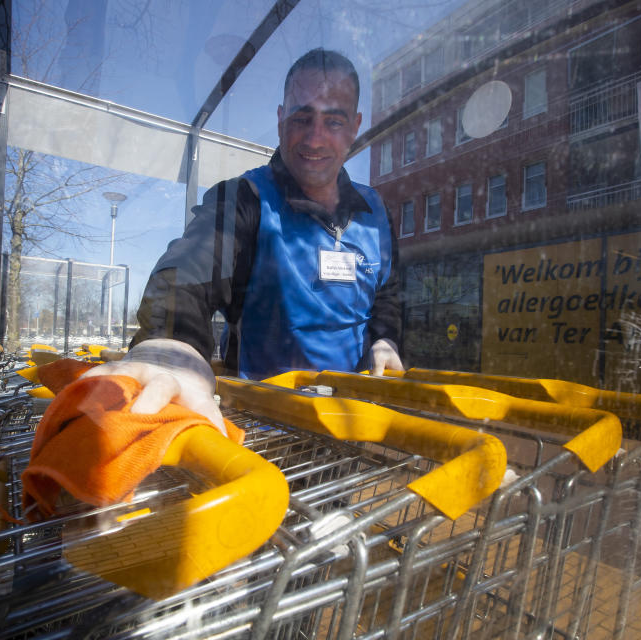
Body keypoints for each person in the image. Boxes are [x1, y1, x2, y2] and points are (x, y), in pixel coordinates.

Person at [84, 48, 403, 434]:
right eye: (302, 117)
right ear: (282, 119)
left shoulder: (375, 212)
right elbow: (185, 273)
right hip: (261, 424)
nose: (315, 139)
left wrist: (384, 339)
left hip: (351, 421)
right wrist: (172, 346)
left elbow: (386, 292)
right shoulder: (245, 199)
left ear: (354, 126)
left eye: (333, 121)